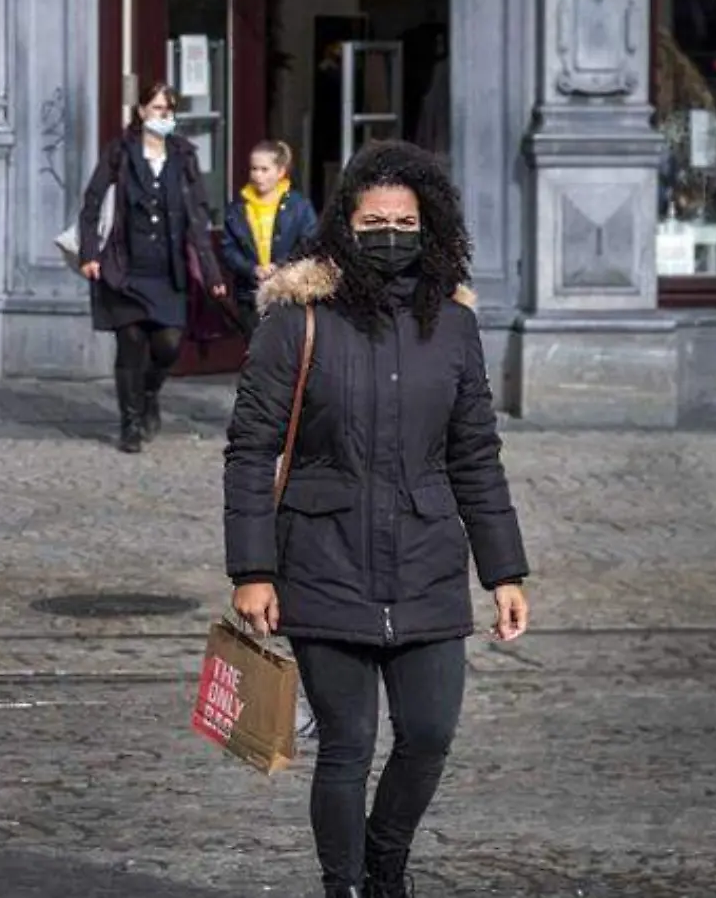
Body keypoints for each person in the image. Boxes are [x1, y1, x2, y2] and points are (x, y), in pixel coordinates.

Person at [223, 140, 531, 898]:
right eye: (373, 219)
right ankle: (347, 885)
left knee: (428, 736)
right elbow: (249, 449)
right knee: (348, 746)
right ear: (344, 226)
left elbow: (476, 455)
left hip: (427, 562)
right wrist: (252, 569)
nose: (390, 232)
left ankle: (385, 861)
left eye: (404, 219)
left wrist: (506, 571)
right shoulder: (298, 321)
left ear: (431, 229)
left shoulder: (454, 327)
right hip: (323, 559)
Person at [76, 81, 227, 453]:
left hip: (168, 269)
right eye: (158, 109)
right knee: (129, 341)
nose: (164, 116)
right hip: (125, 266)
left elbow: (197, 216)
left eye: (169, 110)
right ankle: (130, 423)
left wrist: (212, 273)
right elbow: (93, 202)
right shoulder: (120, 152)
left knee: (168, 344)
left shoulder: (183, 155)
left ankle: (149, 392)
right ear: (142, 111)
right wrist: (89, 254)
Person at [222, 139, 317, 330]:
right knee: (256, 349)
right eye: (254, 169)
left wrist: (281, 265)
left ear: (280, 172)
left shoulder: (298, 206)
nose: (258, 175)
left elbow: (310, 242)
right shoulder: (239, 207)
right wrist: (252, 269)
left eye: (264, 170)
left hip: (289, 292)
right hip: (250, 294)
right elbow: (229, 248)